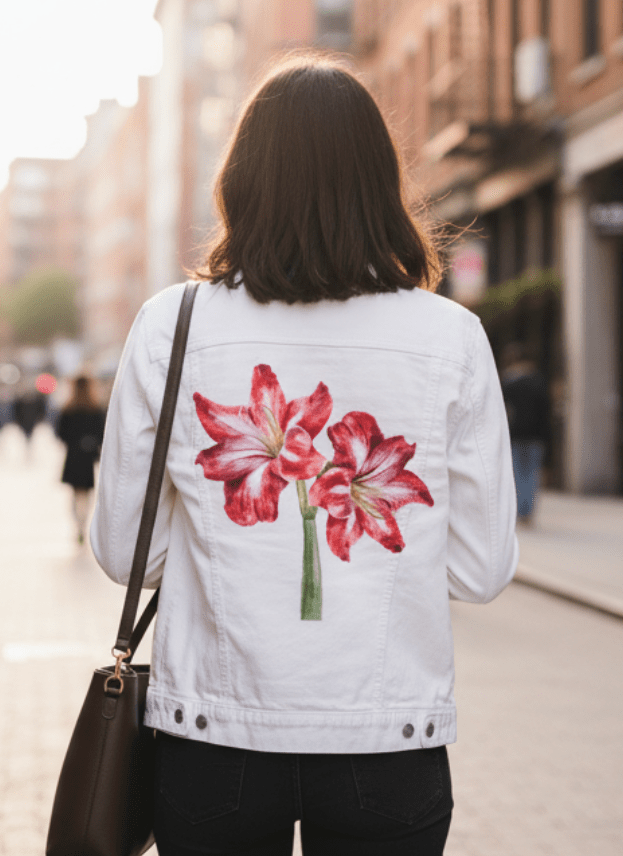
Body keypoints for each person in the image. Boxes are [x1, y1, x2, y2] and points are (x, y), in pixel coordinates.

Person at [91, 57, 518, 856]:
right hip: (389, 739)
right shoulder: (451, 335)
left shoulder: (169, 324)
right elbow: (480, 570)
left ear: (241, 180)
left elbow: (124, 551)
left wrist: (226, 554)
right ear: (379, 182)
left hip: (212, 738)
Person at [500, 343, 552, 526]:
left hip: (515, 434)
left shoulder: (509, 382)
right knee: (532, 473)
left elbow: (501, 410)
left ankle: (519, 509)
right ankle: (527, 510)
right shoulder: (538, 381)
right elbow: (546, 411)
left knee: (517, 473)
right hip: (536, 435)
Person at [57, 375, 105, 544]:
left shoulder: (68, 409)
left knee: (75, 493)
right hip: (88, 458)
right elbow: (102, 434)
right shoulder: (95, 409)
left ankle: (78, 524)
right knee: (87, 493)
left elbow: (60, 434)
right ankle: (83, 523)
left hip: (72, 456)